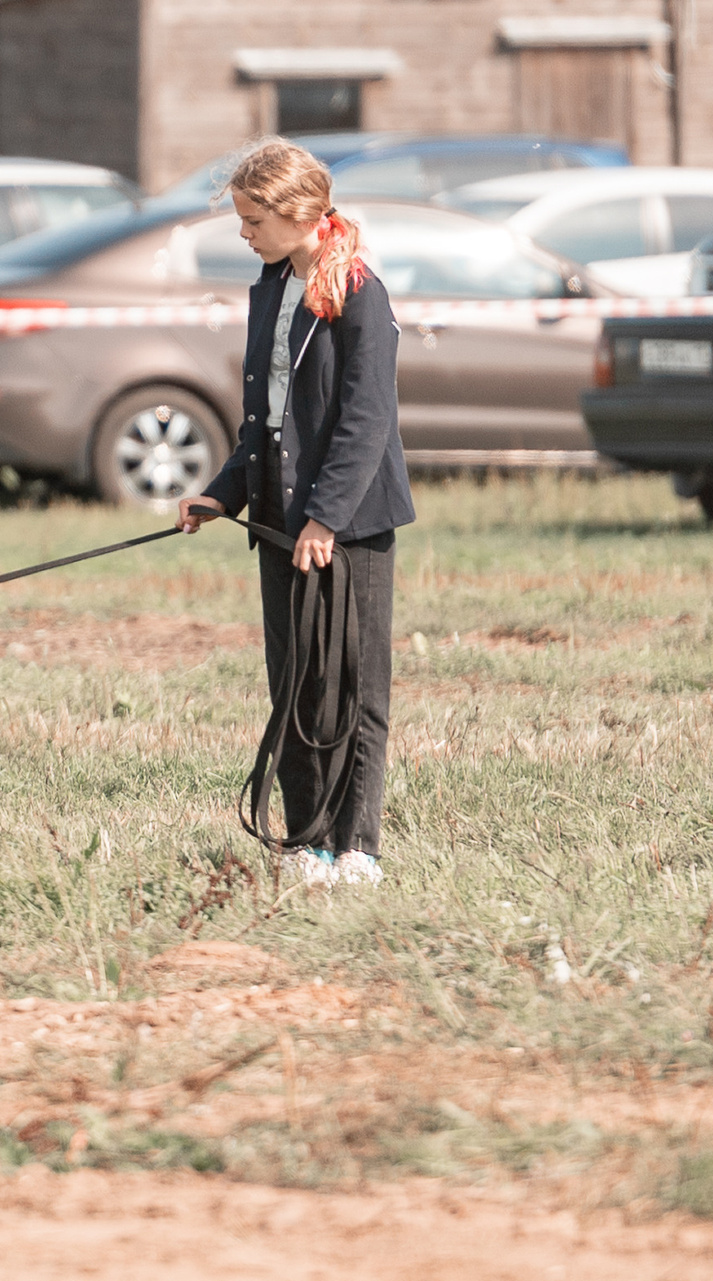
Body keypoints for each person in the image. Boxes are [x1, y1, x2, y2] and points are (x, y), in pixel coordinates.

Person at [177, 139, 414, 889]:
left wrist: (327, 518)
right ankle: (307, 841)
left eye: (252, 219)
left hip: (350, 522)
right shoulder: (271, 285)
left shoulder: (359, 292)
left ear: (297, 213)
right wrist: (223, 491)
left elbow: (364, 419)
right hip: (280, 517)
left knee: (353, 685)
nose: (244, 233)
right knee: (295, 686)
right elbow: (265, 416)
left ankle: (357, 846)